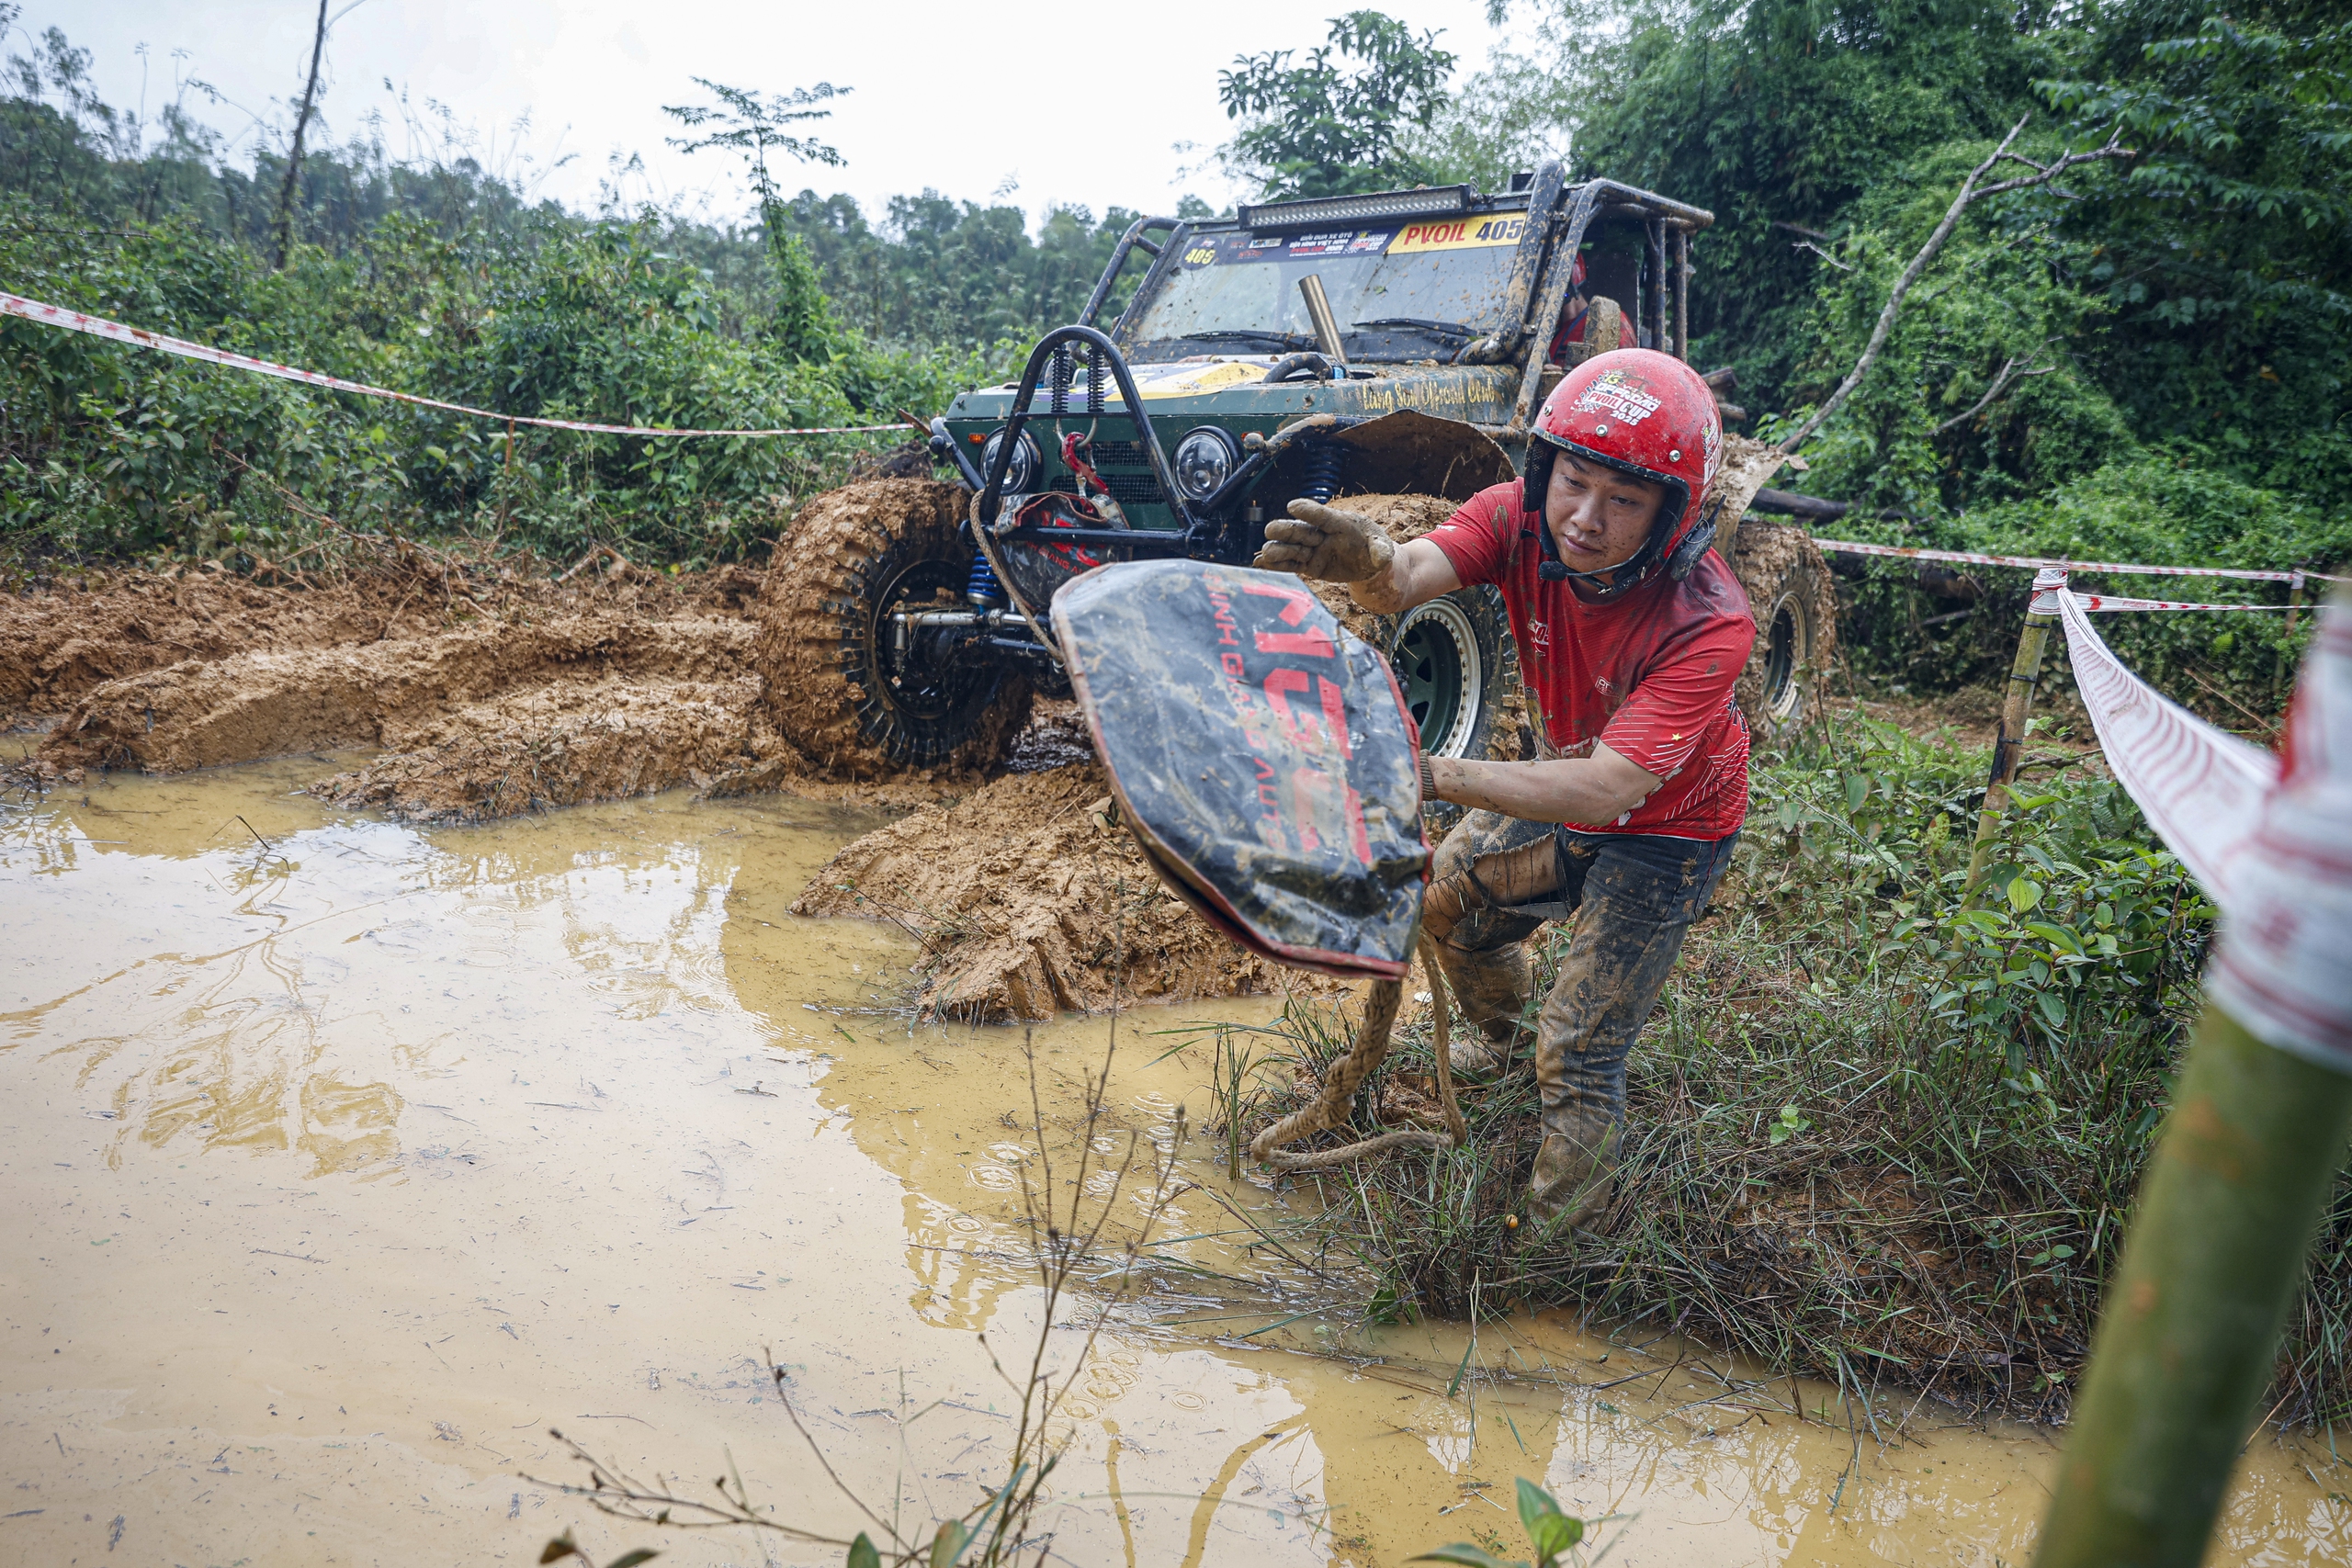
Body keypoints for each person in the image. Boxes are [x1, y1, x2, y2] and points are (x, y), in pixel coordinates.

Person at [1250, 348, 1754, 1235]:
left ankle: (1550, 1259)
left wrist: (1434, 772)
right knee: (1449, 905)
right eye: (1573, 480)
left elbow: (1607, 791)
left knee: (1583, 1048)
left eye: (1624, 500)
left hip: (1666, 832)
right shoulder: (1518, 520)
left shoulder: (1710, 621)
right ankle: (1506, 1056)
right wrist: (1368, 557)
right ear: (1545, 466)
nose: (1585, 519)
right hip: (1561, 773)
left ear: (1673, 516)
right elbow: (1407, 577)